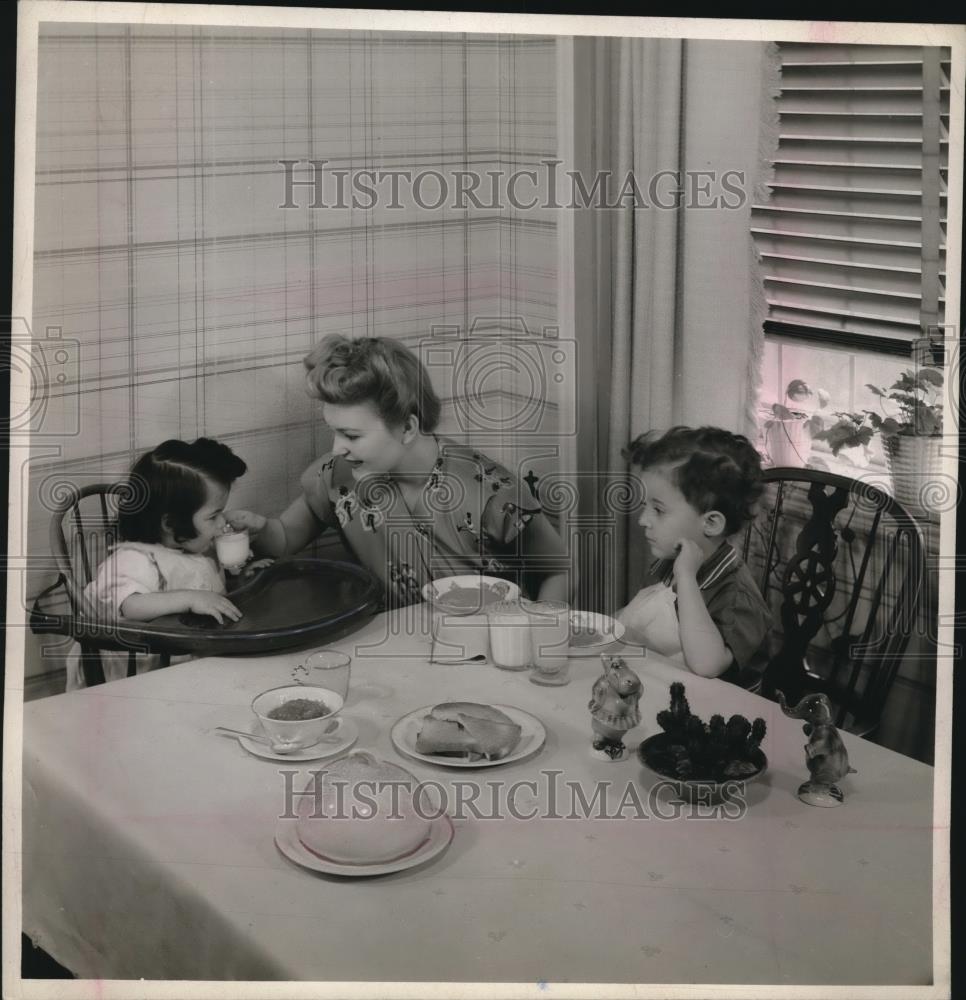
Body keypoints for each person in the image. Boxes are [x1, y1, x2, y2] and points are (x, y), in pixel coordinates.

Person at [227, 335, 573, 607]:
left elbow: (559, 570)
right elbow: (286, 537)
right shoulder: (337, 475)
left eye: (351, 435)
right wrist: (260, 529)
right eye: (334, 431)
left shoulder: (490, 491)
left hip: (490, 647)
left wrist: (536, 635)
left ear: (407, 428)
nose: (336, 448)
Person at [65, 438, 249, 690]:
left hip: (188, 659)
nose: (222, 524)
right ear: (170, 524)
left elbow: (207, 584)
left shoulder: (191, 553)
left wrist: (242, 573)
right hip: (139, 678)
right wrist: (189, 598)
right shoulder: (135, 560)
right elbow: (130, 605)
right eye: (213, 516)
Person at [616, 426, 771, 684]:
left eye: (659, 510)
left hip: (718, 713)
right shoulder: (667, 564)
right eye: (646, 507)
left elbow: (707, 665)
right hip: (660, 685)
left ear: (710, 523)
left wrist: (686, 578)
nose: (643, 520)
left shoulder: (737, 598)